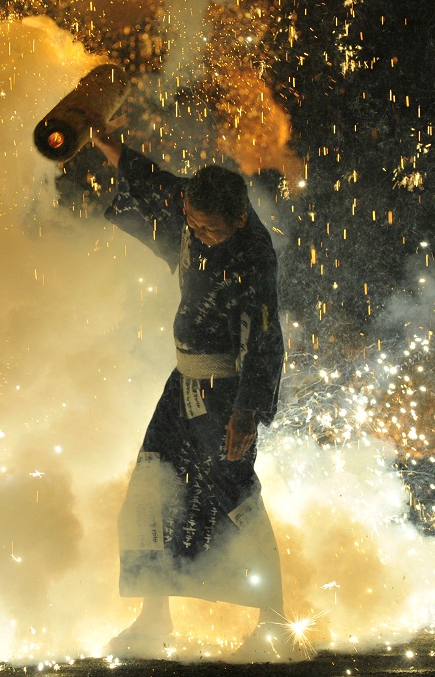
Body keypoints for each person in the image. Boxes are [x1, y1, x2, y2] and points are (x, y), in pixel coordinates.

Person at [90, 129, 292, 661]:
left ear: (241, 221)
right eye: (195, 225)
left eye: (212, 230)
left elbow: (266, 341)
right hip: (181, 385)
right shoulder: (187, 204)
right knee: (151, 489)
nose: (200, 236)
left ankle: (275, 624)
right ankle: (153, 619)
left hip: (225, 396)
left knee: (235, 499)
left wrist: (246, 413)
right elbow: (151, 179)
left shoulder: (253, 257)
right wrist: (104, 140)